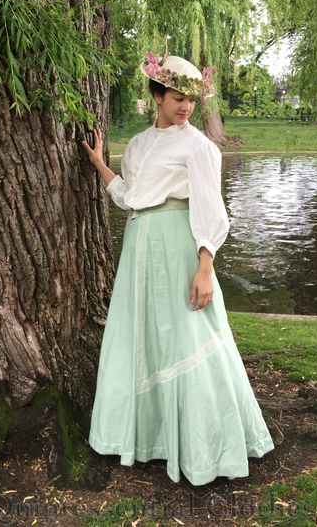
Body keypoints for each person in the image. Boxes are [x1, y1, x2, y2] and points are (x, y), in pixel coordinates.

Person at [82, 53, 274, 485]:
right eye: (176, 97)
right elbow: (130, 197)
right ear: (157, 95)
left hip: (178, 246)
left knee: (187, 335)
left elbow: (211, 209)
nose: (185, 106)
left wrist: (205, 266)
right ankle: (149, 438)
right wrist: (99, 164)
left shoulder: (199, 147)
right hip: (139, 247)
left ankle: (206, 446)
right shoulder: (135, 145)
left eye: (190, 99)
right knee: (144, 338)